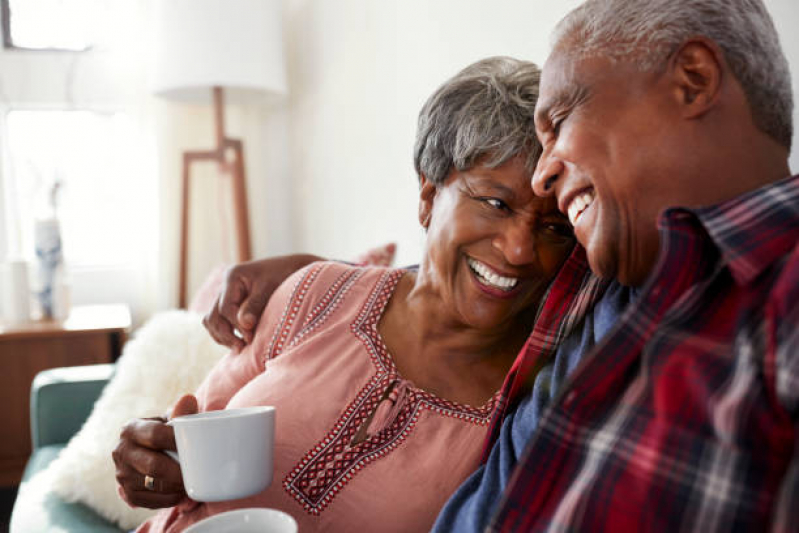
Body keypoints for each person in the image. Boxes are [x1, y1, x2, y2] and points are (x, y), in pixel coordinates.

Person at [208, 0, 799, 531]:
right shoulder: (601, 283)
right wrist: (308, 278)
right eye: (497, 200)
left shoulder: (774, 299)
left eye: (561, 118)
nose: (545, 174)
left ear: (693, 81)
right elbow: (437, 286)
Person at [113, 56, 578, 532]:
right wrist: (150, 460)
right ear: (428, 194)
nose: (521, 249)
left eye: (553, 227)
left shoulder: (529, 406)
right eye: (496, 203)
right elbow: (189, 433)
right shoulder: (316, 292)